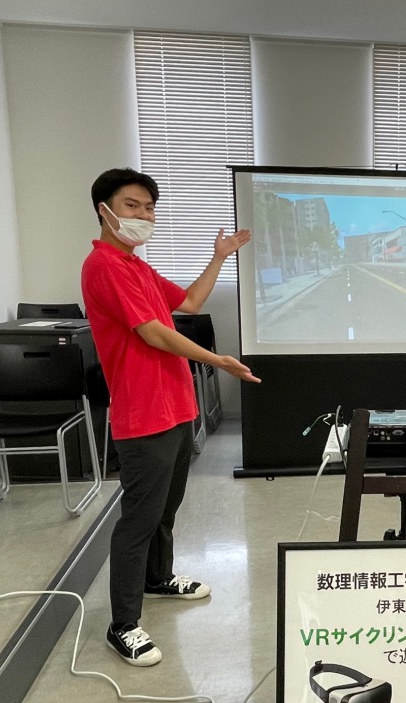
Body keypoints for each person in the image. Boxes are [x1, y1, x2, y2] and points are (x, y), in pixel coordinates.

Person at [81, 168, 261, 666]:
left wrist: (219, 256)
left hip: (176, 406)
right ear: (104, 210)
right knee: (139, 518)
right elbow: (153, 333)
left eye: (149, 207)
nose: (144, 215)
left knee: (166, 507)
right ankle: (123, 624)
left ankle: (158, 579)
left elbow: (189, 302)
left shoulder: (136, 266)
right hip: (143, 414)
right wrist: (217, 359)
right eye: (132, 205)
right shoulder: (104, 266)